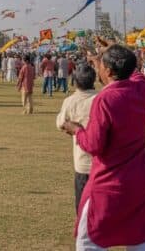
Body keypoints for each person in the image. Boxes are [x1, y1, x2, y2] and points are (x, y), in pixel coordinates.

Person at [61, 44, 145, 251]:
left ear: (110, 71)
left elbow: (94, 144)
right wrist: (106, 54)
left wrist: (76, 130)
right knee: (139, 236)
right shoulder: (142, 87)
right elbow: (136, 71)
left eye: (100, 65)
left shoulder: (106, 98)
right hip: (139, 180)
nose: (98, 70)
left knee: (89, 240)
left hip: (110, 182)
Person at [57, 64, 98, 212]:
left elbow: (61, 123)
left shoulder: (70, 101)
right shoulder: (100, 98)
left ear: (75, 81)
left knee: (83, 209)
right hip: (103, 164)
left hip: (82, 162)